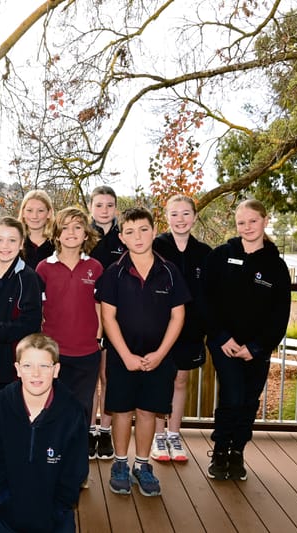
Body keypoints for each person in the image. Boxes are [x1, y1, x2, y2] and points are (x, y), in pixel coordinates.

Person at [95, 207, 189, 497]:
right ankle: (121, 464)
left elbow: (178, 316)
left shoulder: (169, 271)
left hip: (158, 358)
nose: (138, 237)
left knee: (148, 411)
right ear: (121, 237)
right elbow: (108, 317)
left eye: (144, 230)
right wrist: (125, 355)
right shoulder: (114, 273)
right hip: (123, 356)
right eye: (130, 232)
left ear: (154, 231)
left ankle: (142, 465)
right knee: (122, 412)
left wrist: (160, 354)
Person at [205, 199, 291, 481]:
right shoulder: (221, 256)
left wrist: (256, 347)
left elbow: (280, 314)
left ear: (265, 220)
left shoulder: (276, 266)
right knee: (232, 396)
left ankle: (237, 451)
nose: (247, 227)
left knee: (249, 401)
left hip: (258, 349)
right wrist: (221, 336)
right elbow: (205, 300)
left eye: (253, 221)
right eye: (241, 222)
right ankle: (220, 450)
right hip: (224, 344)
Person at [0, 333, 87, 533]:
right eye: (28, 365)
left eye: (44, 366)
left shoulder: (73, 411)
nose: (36, 374)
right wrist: (3, 496)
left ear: (56, 370)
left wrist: (60, 507)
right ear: (18, 369)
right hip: (7, 513)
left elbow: (76, 468)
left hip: (55, 516)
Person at [149, 194, 212, 463]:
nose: (180, 219)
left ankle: (174, 435)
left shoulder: (205, 253)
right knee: (160, 381)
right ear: (166, 217)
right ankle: (158, 437)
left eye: (186, 213)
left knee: (181, 380)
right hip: (159, 329)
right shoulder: (155, 247)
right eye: (174, 214)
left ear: (195, 217)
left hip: (191, 330)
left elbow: (210, 294)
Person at [35, 207, 103, 425]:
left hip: (87, 352)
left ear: (86, 234)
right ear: (56, 235)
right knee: (54, 406)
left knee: (82, 406)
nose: (71, 232)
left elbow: (99, 307)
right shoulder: (43, 268)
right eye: (64, 228)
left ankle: (79, 446)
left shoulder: (95, 267)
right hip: (54, 351)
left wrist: (99, 338)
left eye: (77, 227)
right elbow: (38, 310)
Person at [0, 216, 42, 389]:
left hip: (14, 365)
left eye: (12, 240)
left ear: (21, 243)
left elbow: (31, 323)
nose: (5, 246)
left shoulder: (28, 278)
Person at [87, 186, 125, 461]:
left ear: (115, 208)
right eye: (99, 205)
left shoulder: (123, 237)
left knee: (108, 376)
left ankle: (105, 430)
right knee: (91, 377)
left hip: (118, 316)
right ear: (91, 207)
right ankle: (90, 430)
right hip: (87, 314)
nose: (104, 210)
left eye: (109, 205)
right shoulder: (83, 235)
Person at [18, 190, 55, 269]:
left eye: (40, 211)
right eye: (29, 210)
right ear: (23, 212)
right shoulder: (14, 244)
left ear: (49, 213)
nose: (34, 216)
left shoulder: (58, 245)